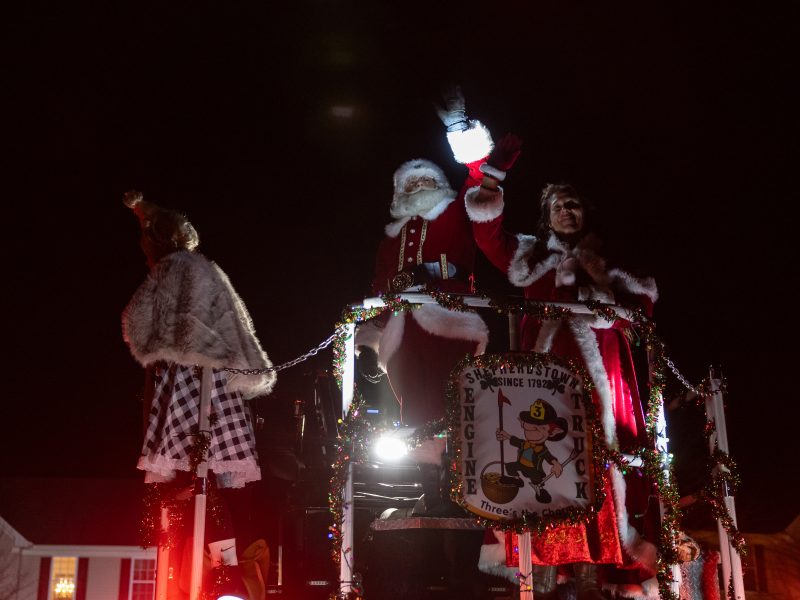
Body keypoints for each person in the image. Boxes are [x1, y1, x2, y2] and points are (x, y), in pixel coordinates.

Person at [465, 165, 660, 598]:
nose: (566, 211)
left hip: (602, 380)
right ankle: (546, 574)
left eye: (573, 205)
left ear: (585, 212)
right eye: (557, 206)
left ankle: (598, 568)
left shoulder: (608, 260)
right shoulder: (531, 257)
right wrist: (490, 180)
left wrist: (597, 300)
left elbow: (642, 304)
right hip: (543, 384)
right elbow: (488, 238)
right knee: (544, 460)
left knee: (602, 462)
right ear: (546, 216)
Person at [357, 87, 506, 514]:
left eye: (426, 180)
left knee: (454, 401)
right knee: (413, 408)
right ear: (400, 192)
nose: (420, 186)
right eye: (412, 182)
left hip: (450, 319)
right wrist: (373, 330)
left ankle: (463, 489)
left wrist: (459, 129)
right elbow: (380, 283)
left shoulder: (456, 212)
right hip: (404, 329)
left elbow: (479, 178)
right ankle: (431, 486)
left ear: (439, 185)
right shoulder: (392, 237)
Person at [122, 191, 274, 593]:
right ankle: (221, 573)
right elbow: (238, 324)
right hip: (219, 390)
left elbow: (136, 324)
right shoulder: (208, 271)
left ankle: (212, 576)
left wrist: (161, 344)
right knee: (213, 485)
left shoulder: (170, 272)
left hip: (192, 388)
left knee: (197, 484)